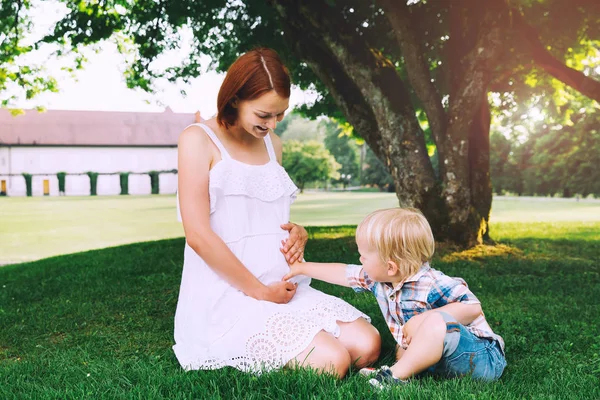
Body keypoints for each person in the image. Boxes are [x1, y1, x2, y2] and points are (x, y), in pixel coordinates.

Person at [173, 48, 380, 377]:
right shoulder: (198, 139)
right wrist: (258, 291)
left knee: (368, 344)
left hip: (282, 284)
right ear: (235, 99)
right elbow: (198, 235)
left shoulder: (274, 144)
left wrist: (297, 230)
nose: (272, 124)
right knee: (334, 362)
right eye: (264, 115)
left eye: (280, 114)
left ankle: (304, 343)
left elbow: (263, 215)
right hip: (229, 292)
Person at [283, 207, 506, 389]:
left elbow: (473, 307)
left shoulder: (432, 282)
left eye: (364, 257)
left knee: (433, 324)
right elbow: (343, 273)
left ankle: (392, 377)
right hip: (443, 360)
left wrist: (425, 319)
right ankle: (404, 372)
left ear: (390, 267)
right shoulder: (378, 278)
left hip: (480, 358)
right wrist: (302, 267)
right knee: (404, 347)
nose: (360, 261)